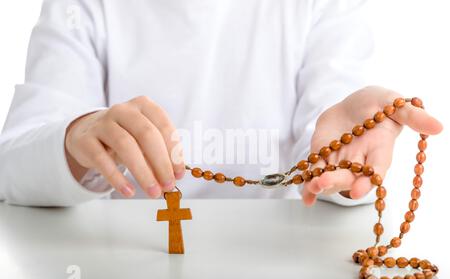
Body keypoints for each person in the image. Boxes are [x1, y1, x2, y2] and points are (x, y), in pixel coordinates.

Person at [0, 0, 443, 207]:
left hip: (282, 269)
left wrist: (347, 158)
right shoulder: (81, 6)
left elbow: (334, 140)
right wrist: (76, 137)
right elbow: (13, 166)